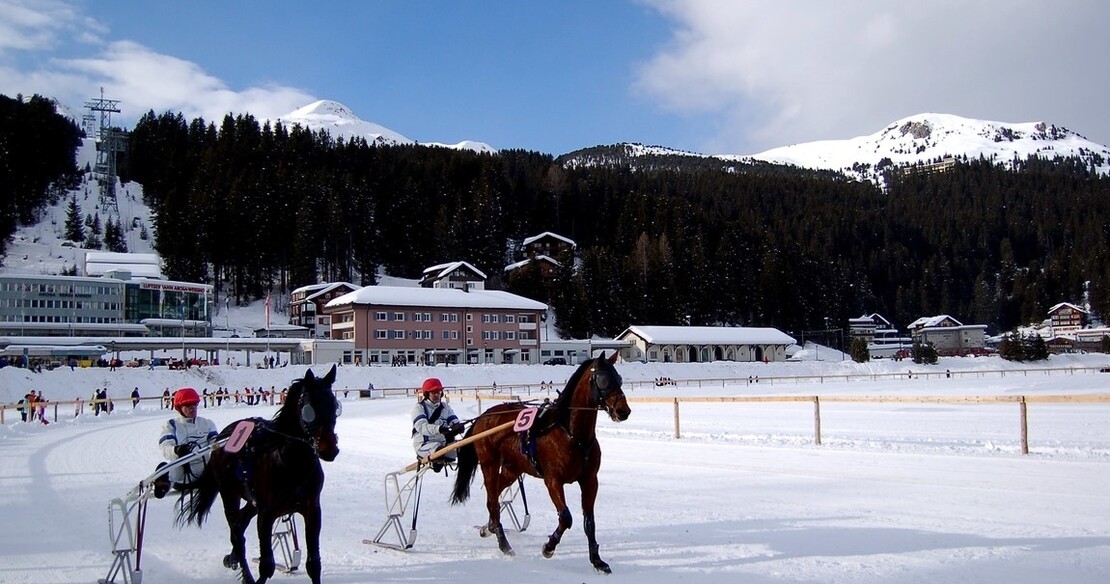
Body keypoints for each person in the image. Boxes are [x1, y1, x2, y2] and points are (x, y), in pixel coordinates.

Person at [152, 387, 218, 499]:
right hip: (181, 475)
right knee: (166, 468)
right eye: (188, 405)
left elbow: (216, 445)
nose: (193, 408)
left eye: (195, 405)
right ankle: (164, 484)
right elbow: (165, 447)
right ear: (179, 408)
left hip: (205, 474)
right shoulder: (171, 425)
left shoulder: (207, 424)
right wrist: (176, 450)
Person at [411, 377, 464, 472]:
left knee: (467, 448)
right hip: (424, 445)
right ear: (427, 394)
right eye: (433, 392)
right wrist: (439, 429)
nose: (437, 395)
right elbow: (422, 427)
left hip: (443, 446)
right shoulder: (419, 408)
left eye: (439, 392)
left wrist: (458, 427)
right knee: (439, 451)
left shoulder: (445, 407)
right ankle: (438, 459)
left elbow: (454, 420)